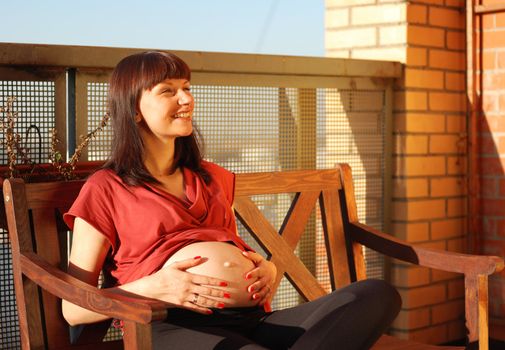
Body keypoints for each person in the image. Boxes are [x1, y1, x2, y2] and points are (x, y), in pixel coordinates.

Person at [62, 51, 401, 350]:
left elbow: (228, 247)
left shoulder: (210, 178)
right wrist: (154, 286)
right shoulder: (106, 188)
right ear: (134, 110)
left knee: (376, 295)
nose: (186, 99)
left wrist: (266, 268)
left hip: (252, 320)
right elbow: (74, 308)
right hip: (171, 326)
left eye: (187, 87)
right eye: (168, 90)